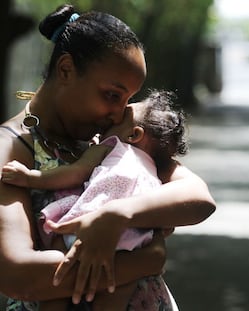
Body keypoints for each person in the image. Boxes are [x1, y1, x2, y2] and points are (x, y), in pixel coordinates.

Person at [0, 4, 215, 311]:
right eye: (112, 95)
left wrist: (117, 215)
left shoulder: (112, 138)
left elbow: (198, 197)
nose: (120, 112)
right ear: (65, 70)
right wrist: (145, 260)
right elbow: (18, 274)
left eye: (128, 100)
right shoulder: (11, 147)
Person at [2, 90, 189, 310]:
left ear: (134, 134)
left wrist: (30, 178)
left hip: (89, 229)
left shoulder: (110, 147)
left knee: (58, 274)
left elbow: (75, 172)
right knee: (115, 295)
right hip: (134, 240)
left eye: (124, 114)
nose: (116, 114)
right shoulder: (157, 171)